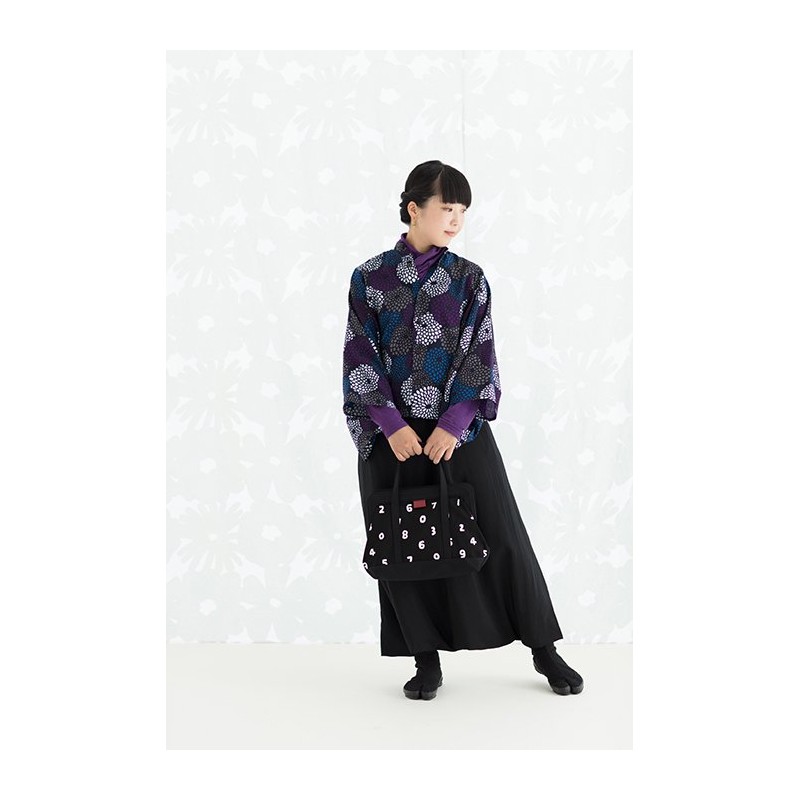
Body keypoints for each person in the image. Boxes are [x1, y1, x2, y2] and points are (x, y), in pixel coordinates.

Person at [342, 160, 584, 700]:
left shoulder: (469, 279)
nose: (456, 220)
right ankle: (424, 661)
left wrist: (454, 422)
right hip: (390, 439)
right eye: (447, 207)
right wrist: (390, 424)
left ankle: (543, 648)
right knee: (403, 548)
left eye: (463, 210)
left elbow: (481, 352)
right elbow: (359, 353)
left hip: (460, 433)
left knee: (503, 538)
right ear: (414, 209)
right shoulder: (369, 277)